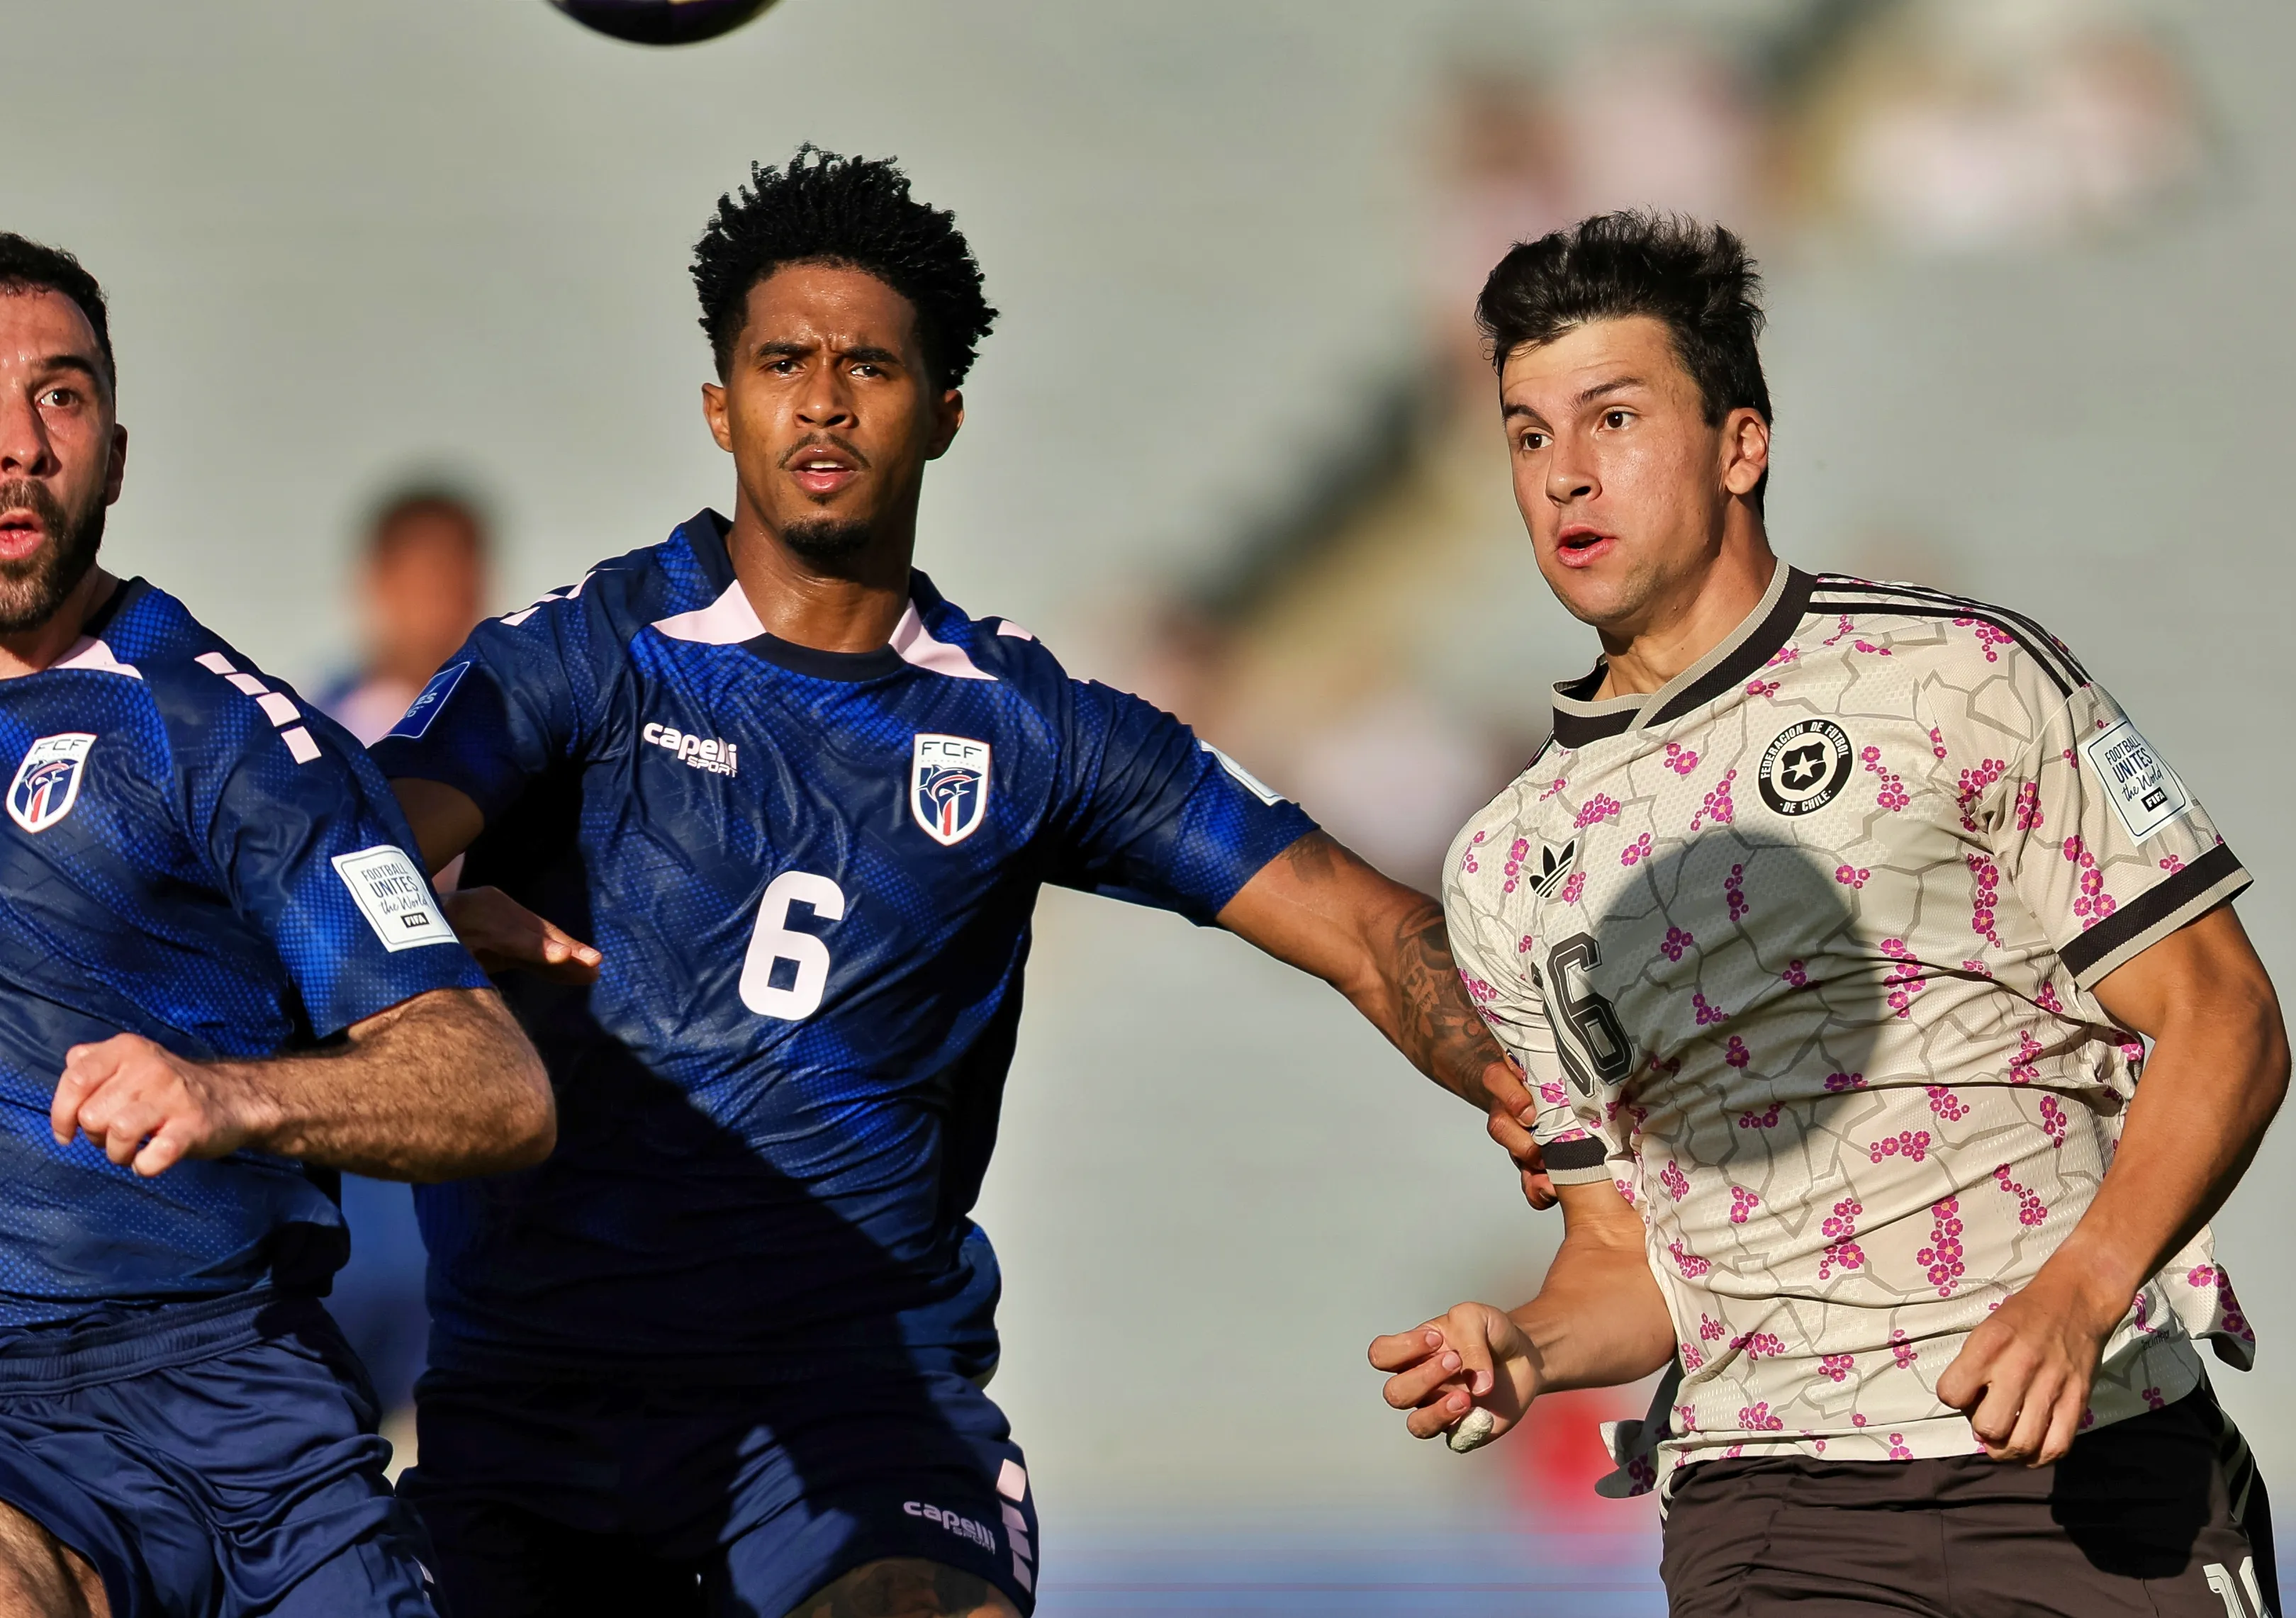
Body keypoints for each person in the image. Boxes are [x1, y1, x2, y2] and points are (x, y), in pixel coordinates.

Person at [367, 150, 1538, 1618]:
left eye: (871, 364)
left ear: (945, 412)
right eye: (783, 360)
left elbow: (1369, 929)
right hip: (546, 1393)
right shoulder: (586, 653)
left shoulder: (1028, 728)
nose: (825, 397)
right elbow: (351, 850)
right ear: (723, 406)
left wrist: (1521, 1077)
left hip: (860, 1389)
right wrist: (417, 917)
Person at [1370, 212, 2290, 1617]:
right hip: (1773, 1503)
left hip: (2091, 1458)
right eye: (1529, 433)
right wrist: (1536, 1349)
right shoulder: (1507, 861)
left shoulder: (1970, 678)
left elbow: (2225, 1012)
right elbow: (1628, 1256)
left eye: (1614, 417)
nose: (1565, 474)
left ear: (1743, 443)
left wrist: (2081, 1287)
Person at [0, 235, 555, 1617]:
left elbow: (496, 1088)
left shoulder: (218, 734)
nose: (16, 445)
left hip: (243, 1397)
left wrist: (226, 1087)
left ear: (116, 455)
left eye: (59, 398)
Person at [315, 483, 494, 1429]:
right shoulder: (302, 742)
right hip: (344, 1182)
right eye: (421, 580)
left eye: (459, 581)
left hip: (468, 1190)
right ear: (377, 584)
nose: (441, 605)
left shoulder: (518, 756)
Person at [320, 488, 491, 747]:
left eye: (458, 576)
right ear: (379, 581)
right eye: (428, 579)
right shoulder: (318, 721)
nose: (446, 587)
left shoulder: (520, 710)